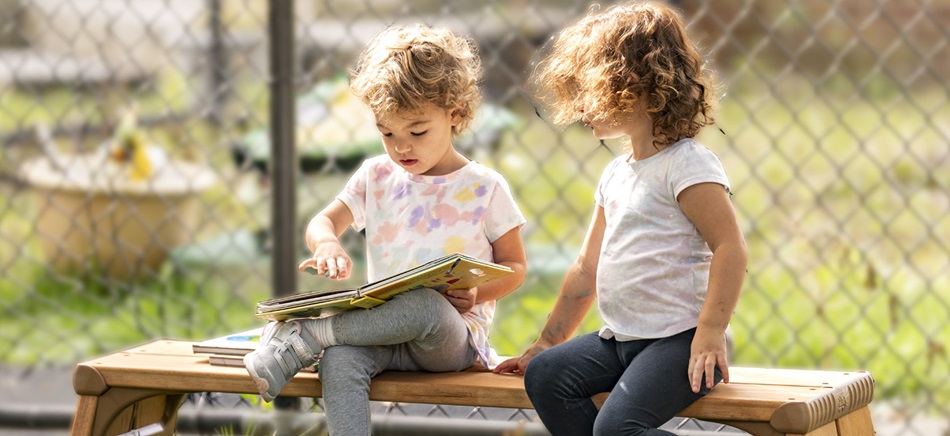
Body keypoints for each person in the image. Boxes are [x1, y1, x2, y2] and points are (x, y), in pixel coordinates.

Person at [243, 24, 527, 435]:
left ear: (455, 114)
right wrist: (327, 244)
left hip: (449, 338)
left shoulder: (485, 187)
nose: (401, 148)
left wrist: (477, 293)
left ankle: (309, 335)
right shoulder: (375, 175)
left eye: (417, 131)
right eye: (387, 133)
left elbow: (515, 266)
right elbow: (324, 221)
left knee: (425, 305)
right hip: (383, 333)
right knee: (340, 361)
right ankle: (319, 345)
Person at [493, 2, 747, 435]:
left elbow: (730, 248)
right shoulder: (616, 173)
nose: (578, 108)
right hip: (621, 340)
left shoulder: (686, 166)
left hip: (682, 342)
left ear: (633, 83)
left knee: (616, 430)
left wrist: (711, 331)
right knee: (547, 376)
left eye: (586, 91)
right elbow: (586, 269)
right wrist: (547, 342)